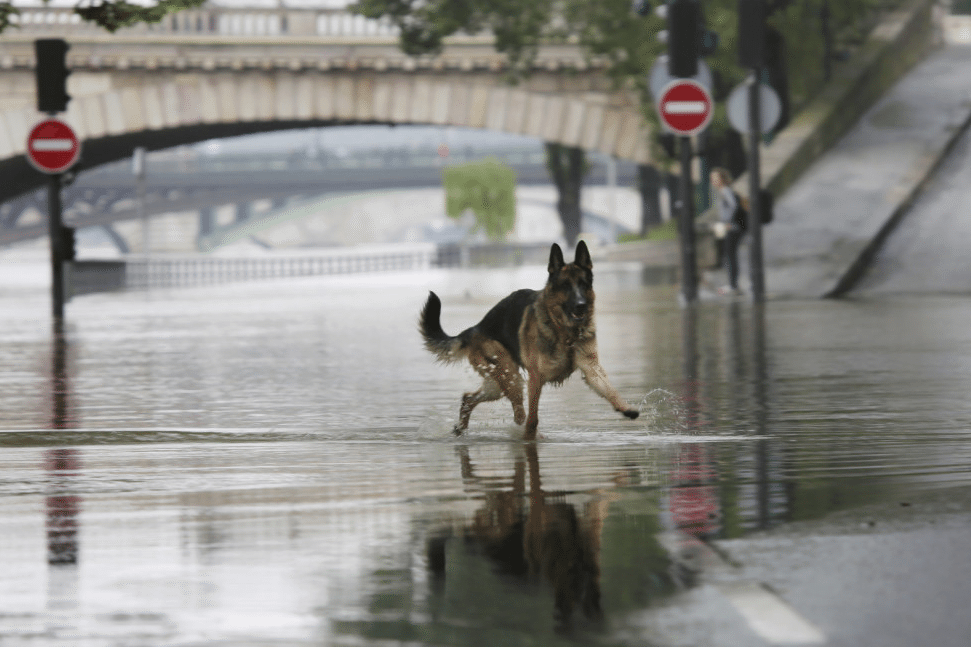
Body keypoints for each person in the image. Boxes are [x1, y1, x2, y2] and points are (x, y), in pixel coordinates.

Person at [710, 168, 744, 295]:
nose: (713, 181)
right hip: (730, 227)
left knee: (730, 256)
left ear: (722, 179)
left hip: (732, 228)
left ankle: (733, 285)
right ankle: (732, 284)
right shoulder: (723, 191)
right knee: (729, 255)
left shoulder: (725, 191)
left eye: (715, 178)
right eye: (712, 178)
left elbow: (733, 205)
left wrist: (727, 222)